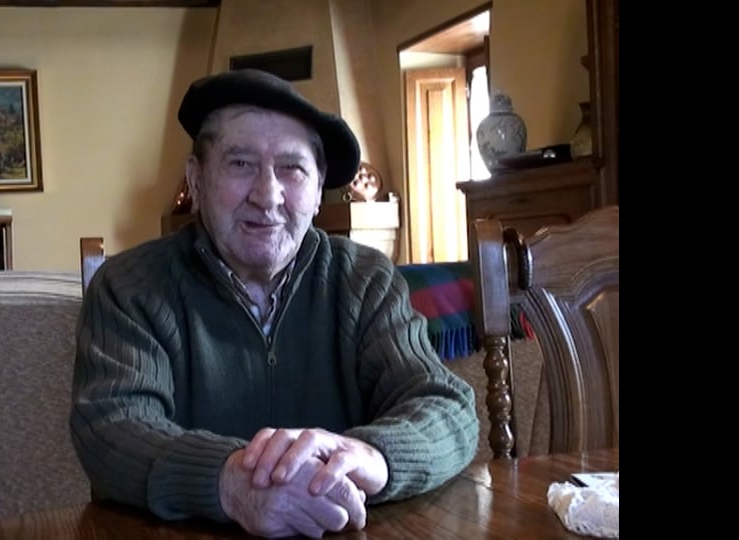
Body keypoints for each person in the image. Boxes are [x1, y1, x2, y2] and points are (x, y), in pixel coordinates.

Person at [70, 68, 479, 538]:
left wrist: (371, 455)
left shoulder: (365, 280)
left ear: (319, 188)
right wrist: (231, 481)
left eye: (292, 168)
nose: (267, 196)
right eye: (240, 164)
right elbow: (111, 427)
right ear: (196, 180)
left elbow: (447, 408)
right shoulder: (129, 288)